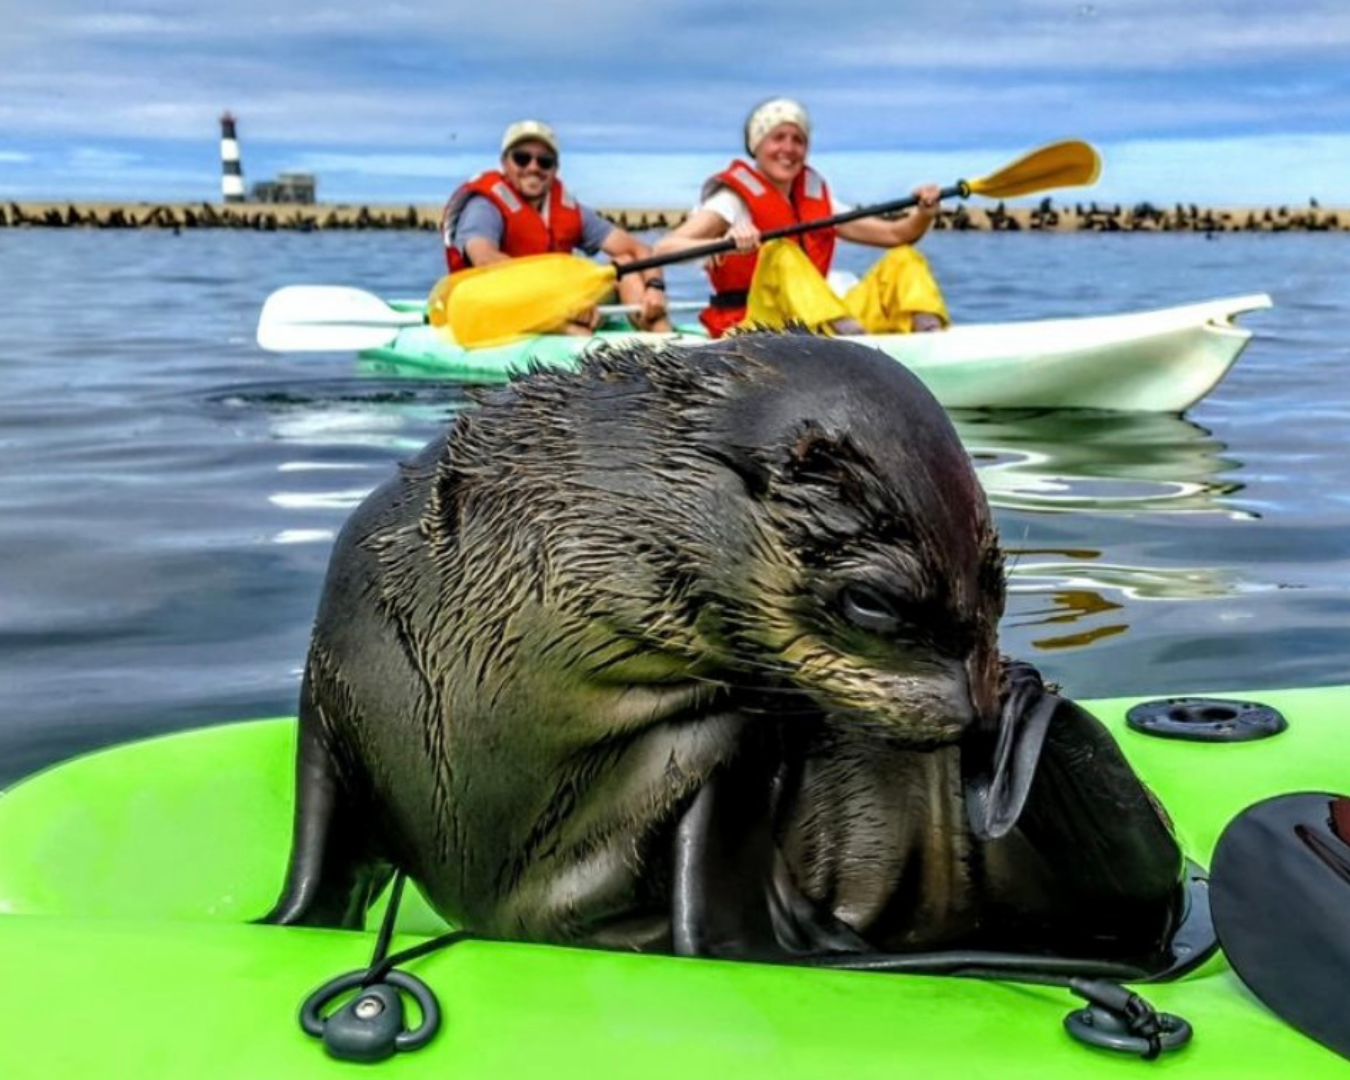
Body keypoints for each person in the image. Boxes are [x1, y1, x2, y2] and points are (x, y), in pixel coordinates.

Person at [653, 98, 949, 338]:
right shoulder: (731, 200)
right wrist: (723, 244)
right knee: (781, 250)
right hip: (755, 328)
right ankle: (846, 340)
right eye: (778, 138)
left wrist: (923, 214)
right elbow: (664, 249)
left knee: (903, 257)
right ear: (757, 145)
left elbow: (895, 235)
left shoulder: (818, 200)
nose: (789, 149)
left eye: (798, 140)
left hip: (818, 324)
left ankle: (928, 332)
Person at [438, 120, 670, 334]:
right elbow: (484, 259)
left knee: (626, 265)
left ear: (555, 168)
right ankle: (577, 334)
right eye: (522, 158)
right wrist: (559, 300)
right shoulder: (485, 205)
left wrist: (654, 287)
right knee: (578, 333)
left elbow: (639, 250)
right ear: (504, 163)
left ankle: (662, 338)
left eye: (544, 161)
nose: (533, 167)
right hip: (501, 304)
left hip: (561, 299)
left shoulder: (568, 208)